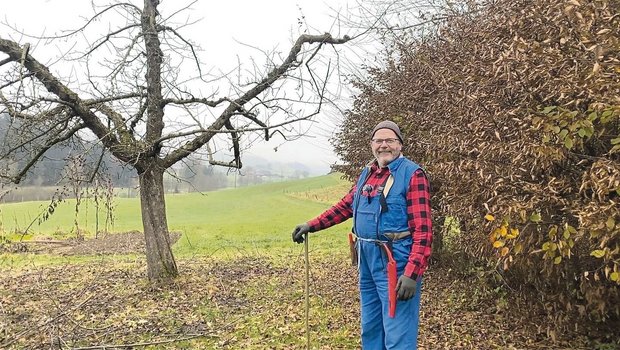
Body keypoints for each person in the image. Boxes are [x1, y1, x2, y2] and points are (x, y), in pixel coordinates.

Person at [292, 120, 432, 349]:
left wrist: (412, 273)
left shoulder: (412, 175)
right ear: (372, 145)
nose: (384, 145)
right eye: (379, 140)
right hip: (365, 258)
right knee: (371, 327)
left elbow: (423, 231)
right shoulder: (367, 174)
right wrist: (311, 225)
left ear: (400, 145)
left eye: (390, 140)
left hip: (395, 262)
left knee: (398, 333)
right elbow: (346, 206)